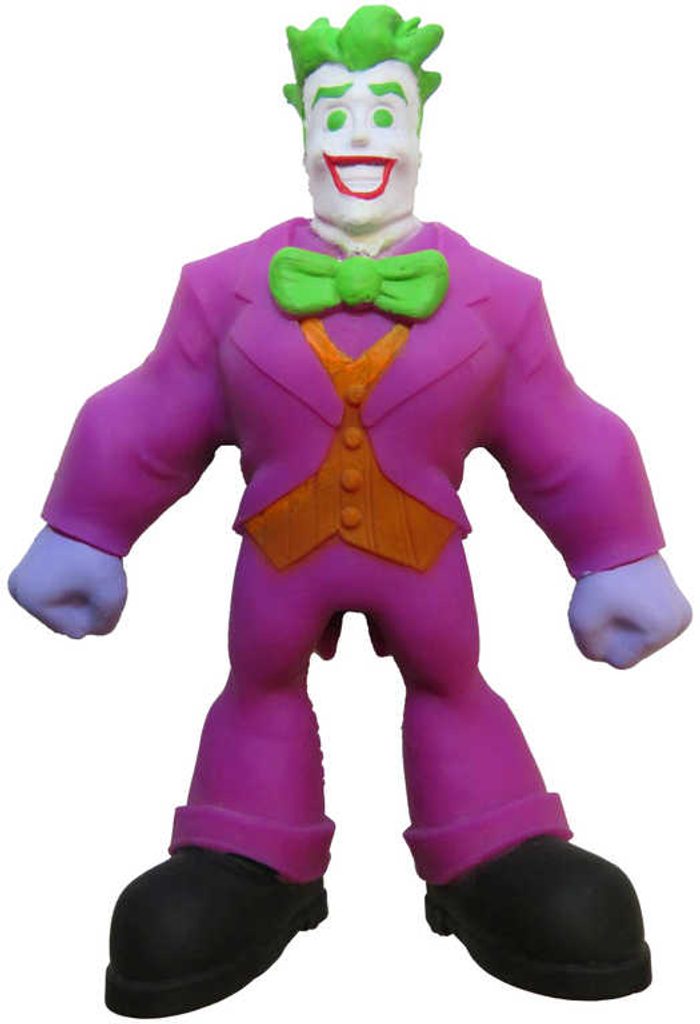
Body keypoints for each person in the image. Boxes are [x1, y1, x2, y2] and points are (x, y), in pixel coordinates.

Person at [8, 5, 692, 1017]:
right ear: (302, 132)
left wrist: (615, 552)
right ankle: (249, 855)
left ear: (418, 132)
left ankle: (492, 848)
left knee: (450, 678)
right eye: (334, 112)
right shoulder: (223, 291)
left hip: (423, 556)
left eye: (384, 112)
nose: (359, 135)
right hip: (283, 554)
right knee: (261, 681)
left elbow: (562, 429)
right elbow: (152, 409)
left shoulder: (497, 298)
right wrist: (87, 529)